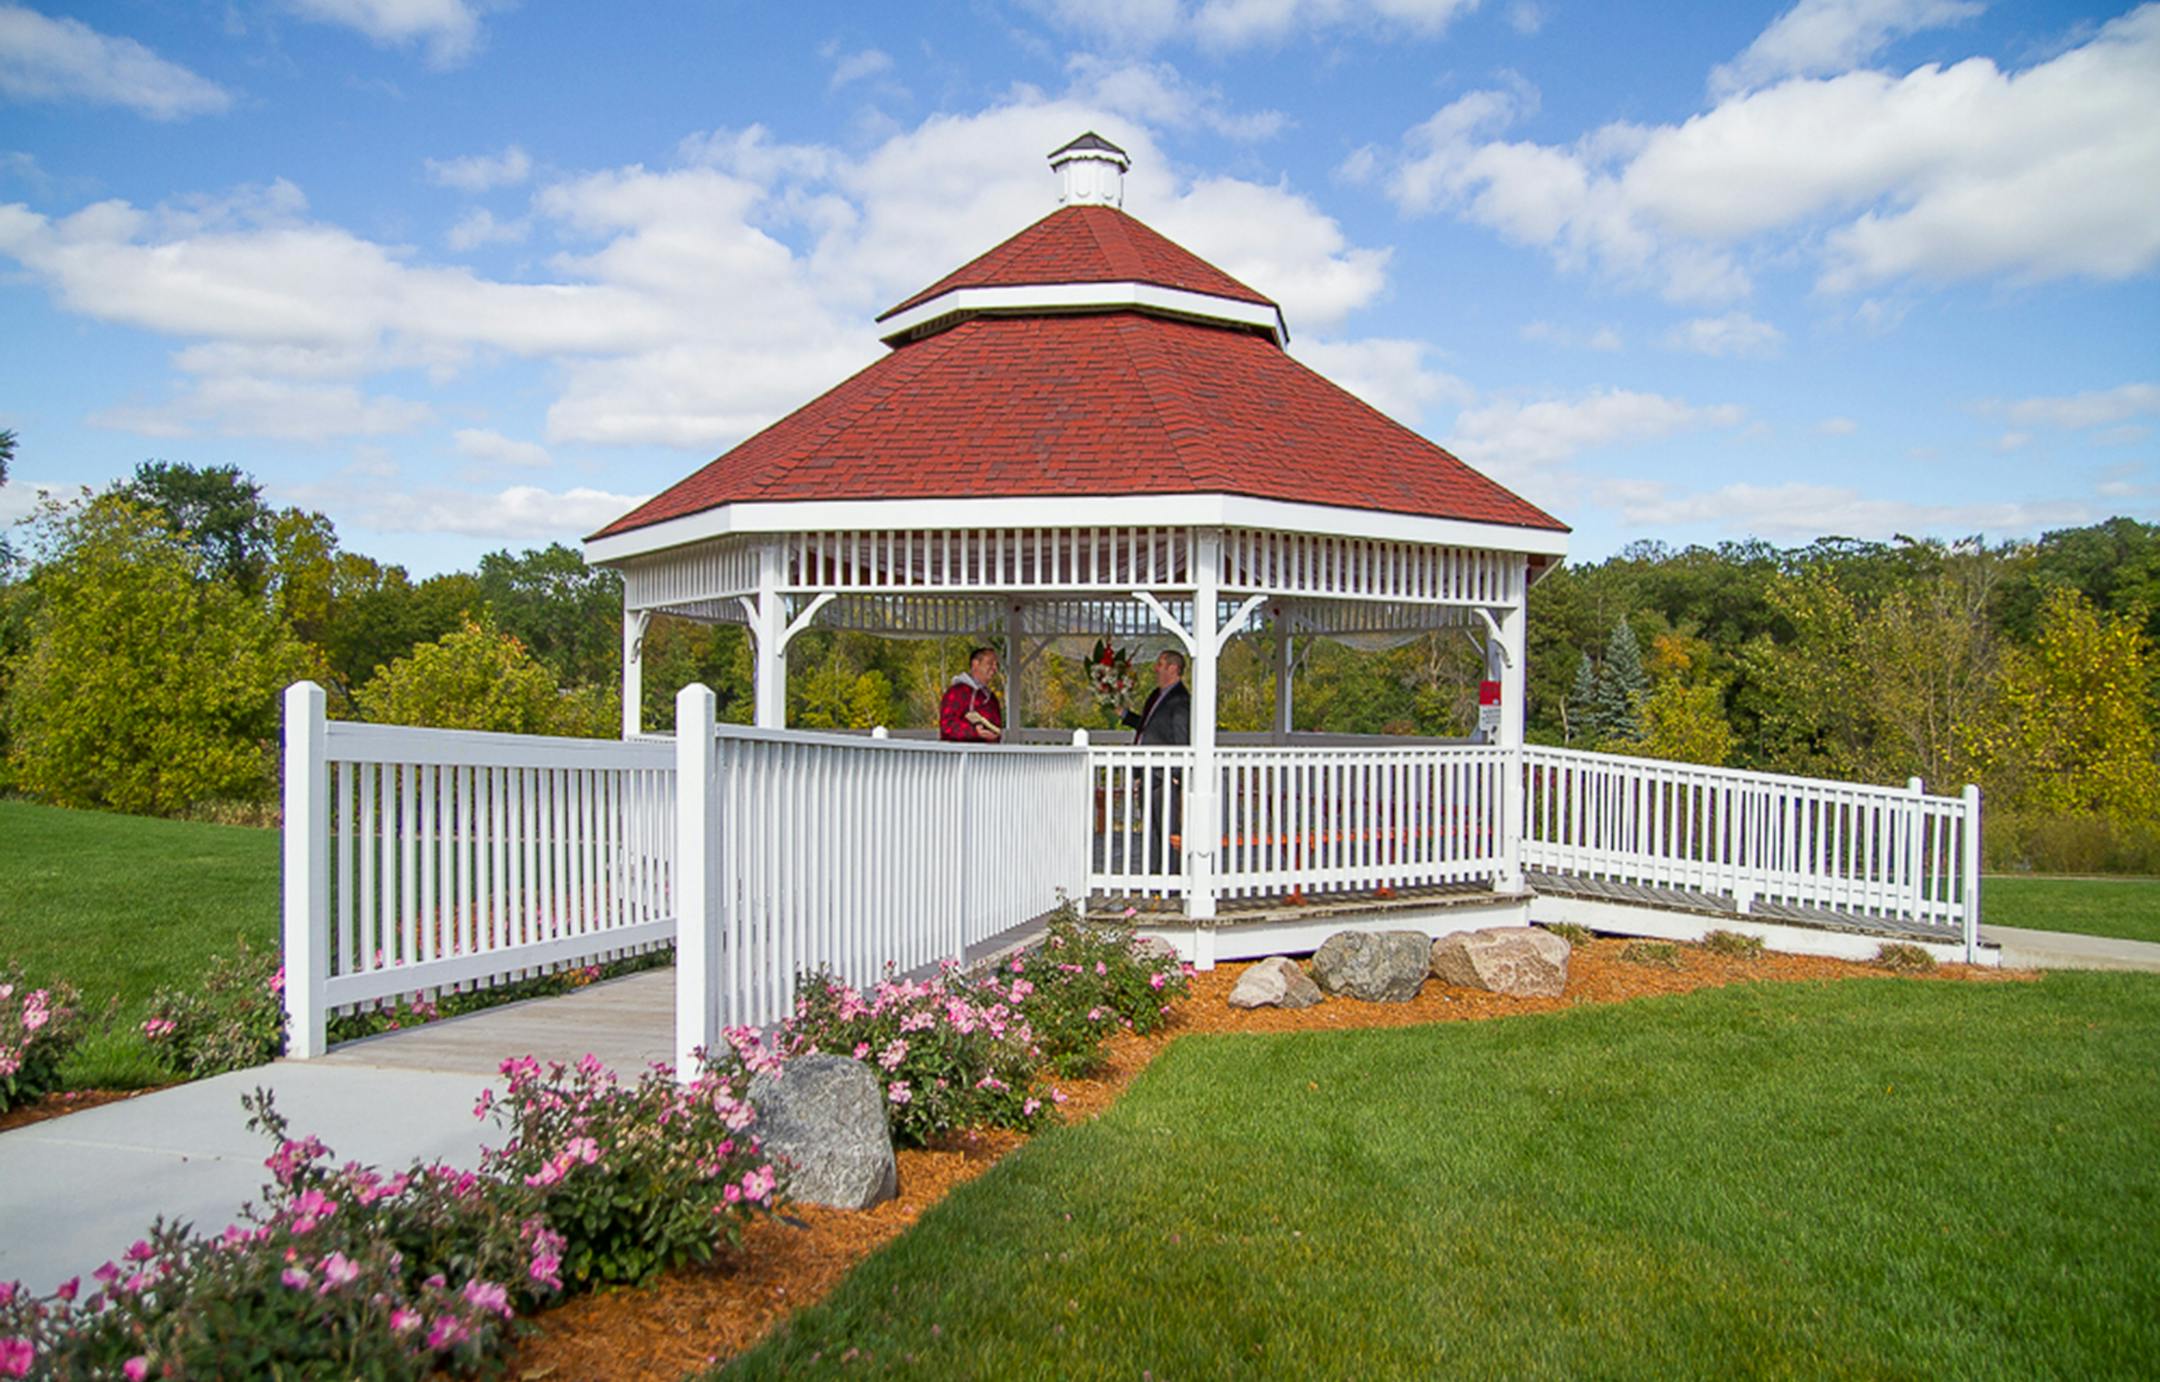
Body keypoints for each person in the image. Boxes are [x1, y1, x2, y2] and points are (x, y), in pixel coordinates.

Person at [1119, 649, 1189, 882]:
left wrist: (1177, 774)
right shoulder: (1156, 695)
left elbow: (1181, 735)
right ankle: (1154, 876)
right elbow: (1149, 727)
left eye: (1160, 664)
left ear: (1173, 668)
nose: (1155, 668)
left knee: (1168, 827)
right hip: (1148, 771)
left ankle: (1171, 879)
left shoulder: (1180, 700)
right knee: (1150, 827)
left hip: (1164, 774)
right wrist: (1125, 715)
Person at [938, 646, 1004, 743]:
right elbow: (947, 726)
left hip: (987, 752)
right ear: (975, 664)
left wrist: (994, 735)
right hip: (959, 751)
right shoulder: (956, 693)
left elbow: (996, 728)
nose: (995, 668)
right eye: (990, 663)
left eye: (996, 665)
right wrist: (974, 732)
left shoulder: (991, 699)